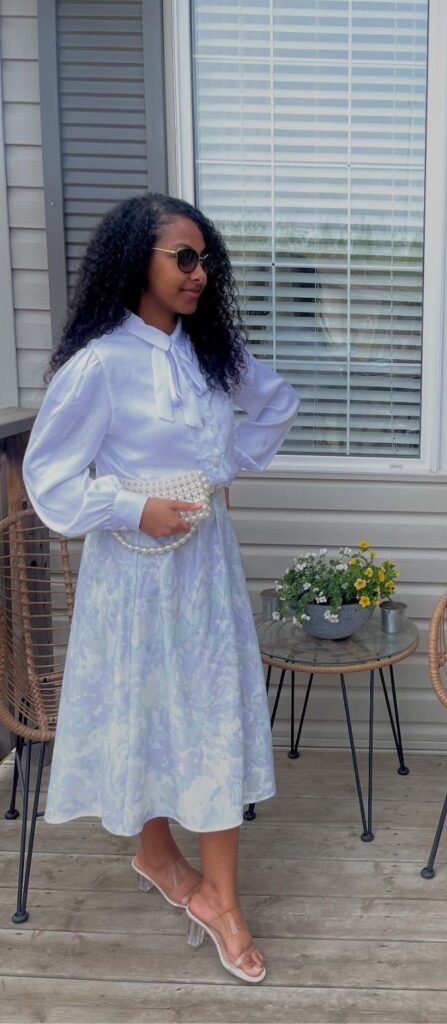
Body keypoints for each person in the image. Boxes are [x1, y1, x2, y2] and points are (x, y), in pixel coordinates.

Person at [22, 193, 299, 984]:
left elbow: (275, 404)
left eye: (206, 258)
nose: (200, 273)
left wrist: (219, 469)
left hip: (203, 568)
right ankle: (156, 854)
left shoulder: (211, 354)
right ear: (132, 261)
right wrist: (129, 504)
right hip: (132, 578)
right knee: (141, 710)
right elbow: (48, 478)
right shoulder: (102, 364)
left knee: (211, 717)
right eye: (183, 257)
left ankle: (221, 896)